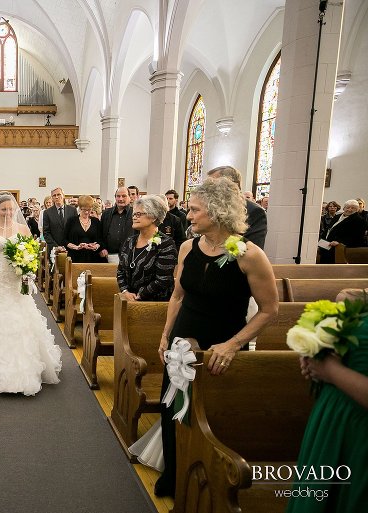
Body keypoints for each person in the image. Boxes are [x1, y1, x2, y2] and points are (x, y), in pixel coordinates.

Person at [153, 177, 278, 498]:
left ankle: (207, 480)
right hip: (183, 340)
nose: (187, 215)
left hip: (221, 345)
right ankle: (176, 475)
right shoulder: (187, 247)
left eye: (194, 210)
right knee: (174, 408)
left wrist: (233, 344)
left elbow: (269, 309)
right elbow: (178, 296)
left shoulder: (249, 255)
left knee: (209, 416)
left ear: (217, 210)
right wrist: (166, 333)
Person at [0, 192, 61, 395]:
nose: (7, 212)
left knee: (18, 315)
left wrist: (27, 269)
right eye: (3, 209)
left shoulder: (22, 228)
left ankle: (22, 367)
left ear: (15, 210)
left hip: (15, 279)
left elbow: (31, 253)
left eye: (10, 209)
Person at [287, 291, 368, 512]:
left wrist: (330, 370)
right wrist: (317, 350)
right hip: (333, 427)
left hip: (360, 439)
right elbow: (347, 297)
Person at [117, 196, 177, 302]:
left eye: (139, 214)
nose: (134, 217)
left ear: (154, 216)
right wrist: (125, 291)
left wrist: (140, 296)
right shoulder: (130, 241)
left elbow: (163, 280)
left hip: (155, 304)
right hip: (129, 301)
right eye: (134, 214)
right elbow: (120, 271)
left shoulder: (166, 244)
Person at [206, 166, 267, 249]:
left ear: (233, 184)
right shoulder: (209, 207)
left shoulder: (254, 211)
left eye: (214, 184)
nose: (209, 189)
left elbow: (252, 248)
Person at [318, 199, 368, 264]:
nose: (349, 209)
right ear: (344, 208)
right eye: (348, 207)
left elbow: (356, 237)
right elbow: (328, 229)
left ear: (357, 209)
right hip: (326, 246)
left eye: (353, 208)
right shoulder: (337, 216)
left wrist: (339, 242)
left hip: (338, 249)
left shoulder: (360, 221)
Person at [64, 195, 105, 263]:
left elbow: (101, 240)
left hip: (93, 258)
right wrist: (76, 247)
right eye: (84, 209)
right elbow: (64, 240)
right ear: (79, 208)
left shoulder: (96, 221)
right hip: (75, 257)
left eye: (89, 209)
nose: (86, 212)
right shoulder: (71, 221)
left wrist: (96, 246)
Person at [100, 186, 134, 264]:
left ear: (129, 197)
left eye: (124, 196)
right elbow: (100, 233)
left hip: (129, 256)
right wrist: (102, 248)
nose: (120, 199)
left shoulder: (135, 213)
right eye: (118, 196)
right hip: (108, 256)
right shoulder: (106, 213)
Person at [42, 187, 77, 253]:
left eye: (59, 194)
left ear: (63, 195)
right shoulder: (47, 212)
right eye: (54, 195)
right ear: (52, 198)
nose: (56, 197)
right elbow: (46, 233)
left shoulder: (72, 210)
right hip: (55, 249)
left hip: (71, 248)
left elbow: (75, 229)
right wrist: (55, 246)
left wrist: (71, 244)